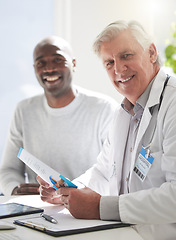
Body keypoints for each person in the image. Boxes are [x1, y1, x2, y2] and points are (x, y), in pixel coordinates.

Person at [37, 20, 176, 240]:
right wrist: (70, 193)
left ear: (151, 52)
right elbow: (103, 171)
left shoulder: (173, 103)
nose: (119, 69)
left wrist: (102, 207)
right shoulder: (125, 111)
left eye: (126, 56)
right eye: (109, 63)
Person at [0, 36, 117, 196]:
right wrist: (15, 189)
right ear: (35, 69)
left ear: (73, 64)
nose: (49, 69)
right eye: (41, 63)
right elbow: (9, 170)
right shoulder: (24, 110)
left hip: (87, 210)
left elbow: (113, 172)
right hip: (38, 211)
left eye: (58, 60)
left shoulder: (104, 109)